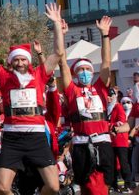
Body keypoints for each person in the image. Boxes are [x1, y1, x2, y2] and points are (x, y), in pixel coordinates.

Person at [0, 3, 62, 195]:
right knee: (3, 188)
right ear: (11, 61)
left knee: (54, 186)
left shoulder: (39, 75)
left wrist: (55, 23)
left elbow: (58, 53)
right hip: (12, 138)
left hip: (37, 137)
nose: (20, 63)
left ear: (28, 62)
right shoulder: (5, 77)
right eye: (16, 60)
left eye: (23, 60)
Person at [55, 13, 115, 195]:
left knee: (104, 185)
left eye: (88, 69)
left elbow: (106, 62)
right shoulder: (72, 90)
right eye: (81, 70)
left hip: (102, 141)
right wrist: (61, 35)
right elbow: (63, 64)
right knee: (86, 186)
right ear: (75, 74)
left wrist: (105, 35)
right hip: (81, 144)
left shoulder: (100, 86)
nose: (85, 72)